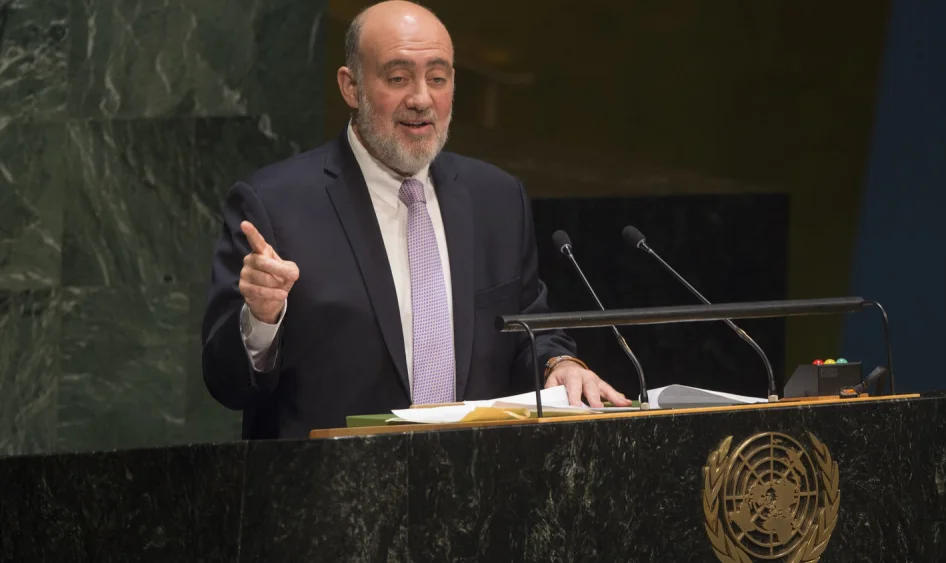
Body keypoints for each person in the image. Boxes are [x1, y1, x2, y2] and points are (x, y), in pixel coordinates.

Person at [201, 0, 630, 439]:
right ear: (351, 87)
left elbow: (528, 332)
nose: (422, 98)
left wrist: (558, 365)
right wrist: (262, 320)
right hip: (331, 491)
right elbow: (225, 383)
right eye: (398, 78)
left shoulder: (497, 198)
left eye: (438, 78)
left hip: (476, 485)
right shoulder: (274, 205)